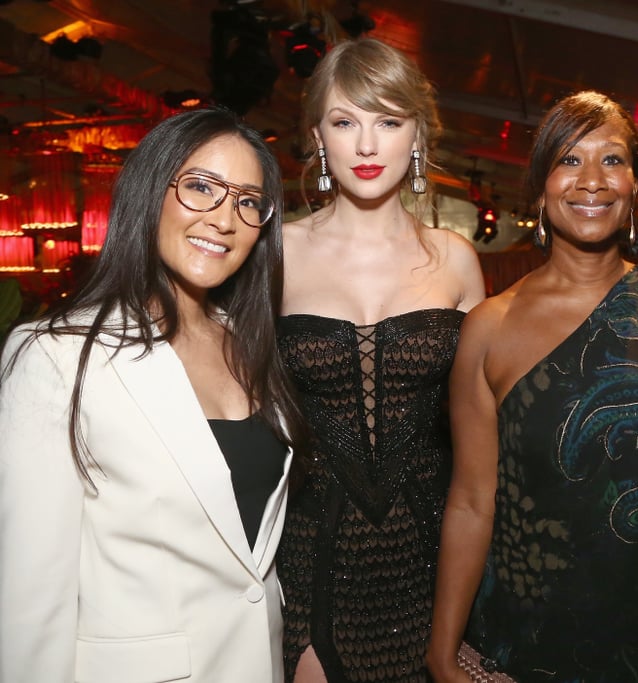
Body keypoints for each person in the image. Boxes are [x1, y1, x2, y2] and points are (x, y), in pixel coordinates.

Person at [427, 90, 638, 683]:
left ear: (635, 187)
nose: (592, 180)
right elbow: (470, 500)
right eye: (569, 160)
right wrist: (442, 649)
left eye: (612, 160)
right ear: (538, 188)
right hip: (539, 636)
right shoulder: (492, 325)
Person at [0, 107, 305, 682]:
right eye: (200, 188)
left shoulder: (252, 345)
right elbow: (32, 595)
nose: (224, 219)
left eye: (247, 201)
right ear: (149, 193)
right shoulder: (56, 355)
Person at [275, 38, 485, 683]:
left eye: (388, 121)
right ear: (318, 137)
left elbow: (484, 443)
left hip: (435, 567)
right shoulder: (272, 254)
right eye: (346, 122)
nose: (367, 146)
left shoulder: (455, 259)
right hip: (311, 566)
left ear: (418, 134)